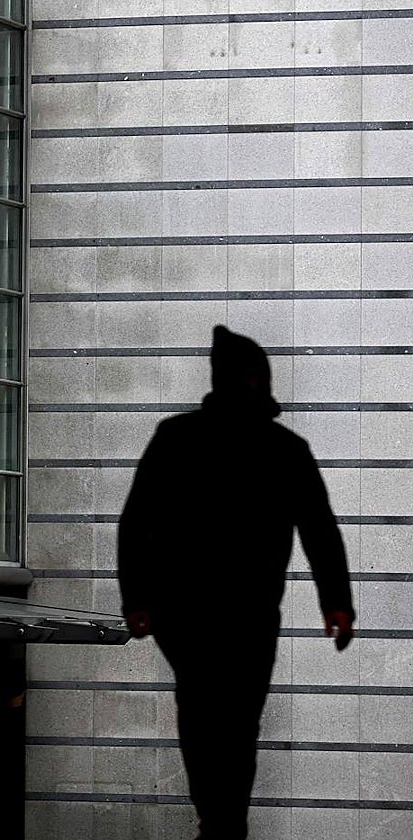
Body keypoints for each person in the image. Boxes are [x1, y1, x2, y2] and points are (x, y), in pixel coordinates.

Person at [118, 325, 355, 840]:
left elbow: (137, 521)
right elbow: (319, 529)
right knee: (235, 721)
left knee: (204, 717)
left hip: (187, 613)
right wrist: (336, 603)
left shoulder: (177, 438)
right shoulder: (284, 449)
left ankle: (218, 820)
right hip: (242, 614)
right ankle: (226, 823)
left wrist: (137, 599)